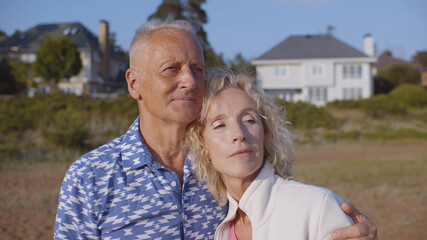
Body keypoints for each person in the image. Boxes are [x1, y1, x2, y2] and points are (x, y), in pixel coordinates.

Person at [54, 20, 377, 239]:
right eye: (172, 69)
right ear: (134, 83)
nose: (190, 81)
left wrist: (351, 229)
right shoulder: (89, 177)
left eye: (197, 69)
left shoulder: (227, 163)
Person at [184, 68, 358, 239]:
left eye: (249, 120)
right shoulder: (220, 229)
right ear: (203, 146)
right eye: (220, 125)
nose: (239, 134)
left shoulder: (317, 207)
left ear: (265, 132)